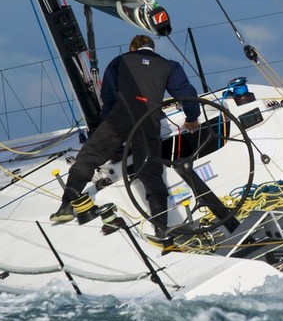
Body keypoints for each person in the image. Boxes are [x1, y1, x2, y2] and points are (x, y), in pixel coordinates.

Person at [50, 35, 201, 230]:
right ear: (152, 47)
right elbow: (186, 93)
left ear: (133, 48)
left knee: (89, 156)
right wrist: (191, 118)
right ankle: (161, 227)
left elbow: (109, 95)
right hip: (148, 121)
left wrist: (108, 127)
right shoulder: (169, 66)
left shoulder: (120, 61)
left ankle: (66, 206)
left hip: (119, 118)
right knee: (150, 172)